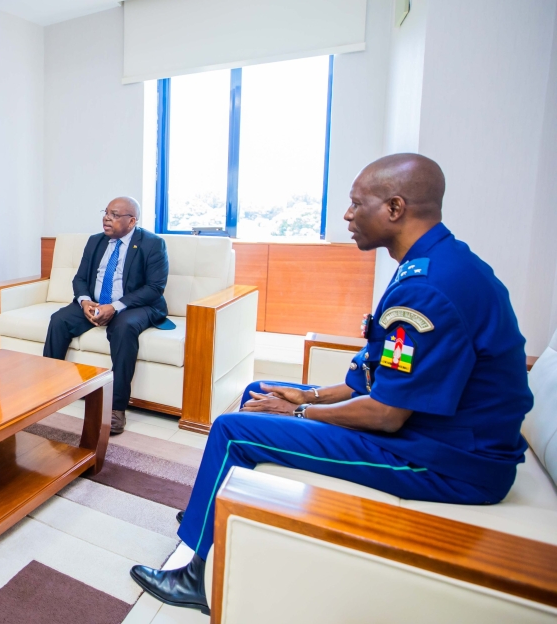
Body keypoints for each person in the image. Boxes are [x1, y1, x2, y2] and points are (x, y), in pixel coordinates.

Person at [129, 154, 534, 614]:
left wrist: (300, 412)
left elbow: (385, 413)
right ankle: (212, 509)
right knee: (257, 392)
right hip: (431, 435)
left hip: (446, 461)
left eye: (356, 204)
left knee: (231, 429)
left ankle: (195, 580)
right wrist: (309, 394)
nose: (346, 215)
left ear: (395, 209)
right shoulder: (433, 263)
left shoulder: (429, 288)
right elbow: (380, 370)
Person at [43, 196, 171, 435]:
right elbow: (80, 278)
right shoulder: (95, 242)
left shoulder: (153, 244)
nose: (106, 218)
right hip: (95, 302)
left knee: (123, 329)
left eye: (114, 215)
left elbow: (154, 288)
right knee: (58, 320)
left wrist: (116, 306)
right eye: (106, 213)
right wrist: (85, 302)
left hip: (136, 305)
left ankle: (116, 408)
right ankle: (49, 389)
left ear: (132, 221)